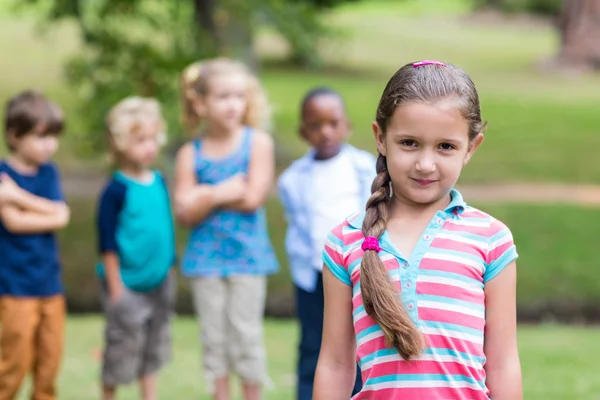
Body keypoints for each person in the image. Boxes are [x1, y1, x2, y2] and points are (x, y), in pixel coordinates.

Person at [314, 60, 522, 400]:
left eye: (445, 147)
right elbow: (336, 363)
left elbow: (503, 364)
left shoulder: (491, 239)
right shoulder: (345, 241)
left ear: (471, 147)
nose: (425, 164)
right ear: (381, 138)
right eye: (409, 143)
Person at [174, 58, 279, 400]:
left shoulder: (258, 143)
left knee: (246, 336)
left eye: (239, 95)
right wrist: (219, 191)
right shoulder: (190, 153)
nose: (233, 104)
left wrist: (202, 196)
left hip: (248, 259)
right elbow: (183, 212)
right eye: (223, 97)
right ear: (201, 104)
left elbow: (251, 198)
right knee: (214, 340)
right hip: (205, 262)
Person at [278, 87, 373, 400]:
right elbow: (299, 226)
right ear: (303, 131)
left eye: (333, 123)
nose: (326, 132)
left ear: (346, 125)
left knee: (360, 342)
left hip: (360, 272)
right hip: (314, 275)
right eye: (315, 125)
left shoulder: (365, 168)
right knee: (313, 343)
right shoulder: (293, 179)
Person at [95, 97, 176, 400]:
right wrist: (116, 288)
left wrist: (169, 267)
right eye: (140, 140)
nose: (149, 146)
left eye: (153, 138)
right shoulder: (115, 191)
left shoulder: (159, 181)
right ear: (120, 144)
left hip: (160, 284)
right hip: (126, 286)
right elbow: (106, 241)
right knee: (120, 350)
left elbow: (164, 228)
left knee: (153, 349)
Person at [0, 90, 70, 400]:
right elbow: (14, 222)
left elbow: (63, 216)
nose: (50, 145)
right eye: (41, 137)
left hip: (50, 285)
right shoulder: (3, 175)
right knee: (13, 363)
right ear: (14, 136)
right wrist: (48, 211)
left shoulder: (49, 172)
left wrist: (18, 198)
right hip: (15, 287)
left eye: (54, 137)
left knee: (49, 363)